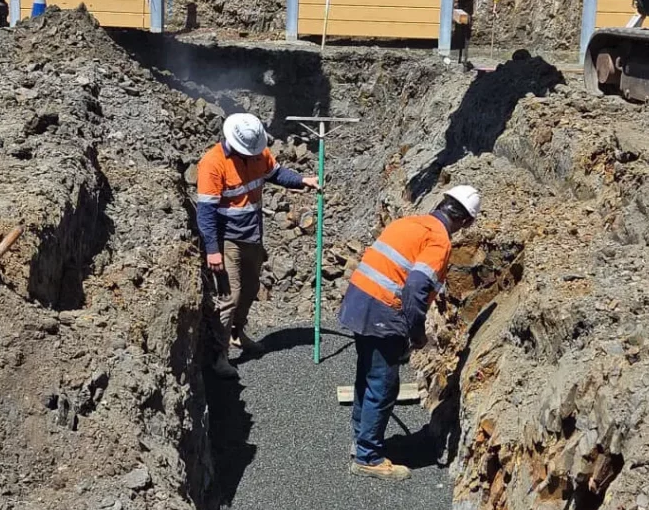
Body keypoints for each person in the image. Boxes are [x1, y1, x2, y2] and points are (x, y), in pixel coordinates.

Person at [338, 186, 481, 480]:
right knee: (383, 383)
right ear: (465, 222)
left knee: (366, 374)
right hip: (381, 312)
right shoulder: (439, 241)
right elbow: (415, 287)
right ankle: (368, 457)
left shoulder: (410, 223)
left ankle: (362, 440)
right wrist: (415, 333)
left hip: (358, 302)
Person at [196, 113, 320, 379]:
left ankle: (237, 334)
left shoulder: (258, 153)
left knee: (252, 288)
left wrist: (302, 180)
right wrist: (212, 250)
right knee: (232, 295)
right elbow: (205, 212)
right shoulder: (213, 164)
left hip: (253, 234)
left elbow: (275, 173)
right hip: (227, 239)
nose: (254, 157)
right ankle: (220, 356)